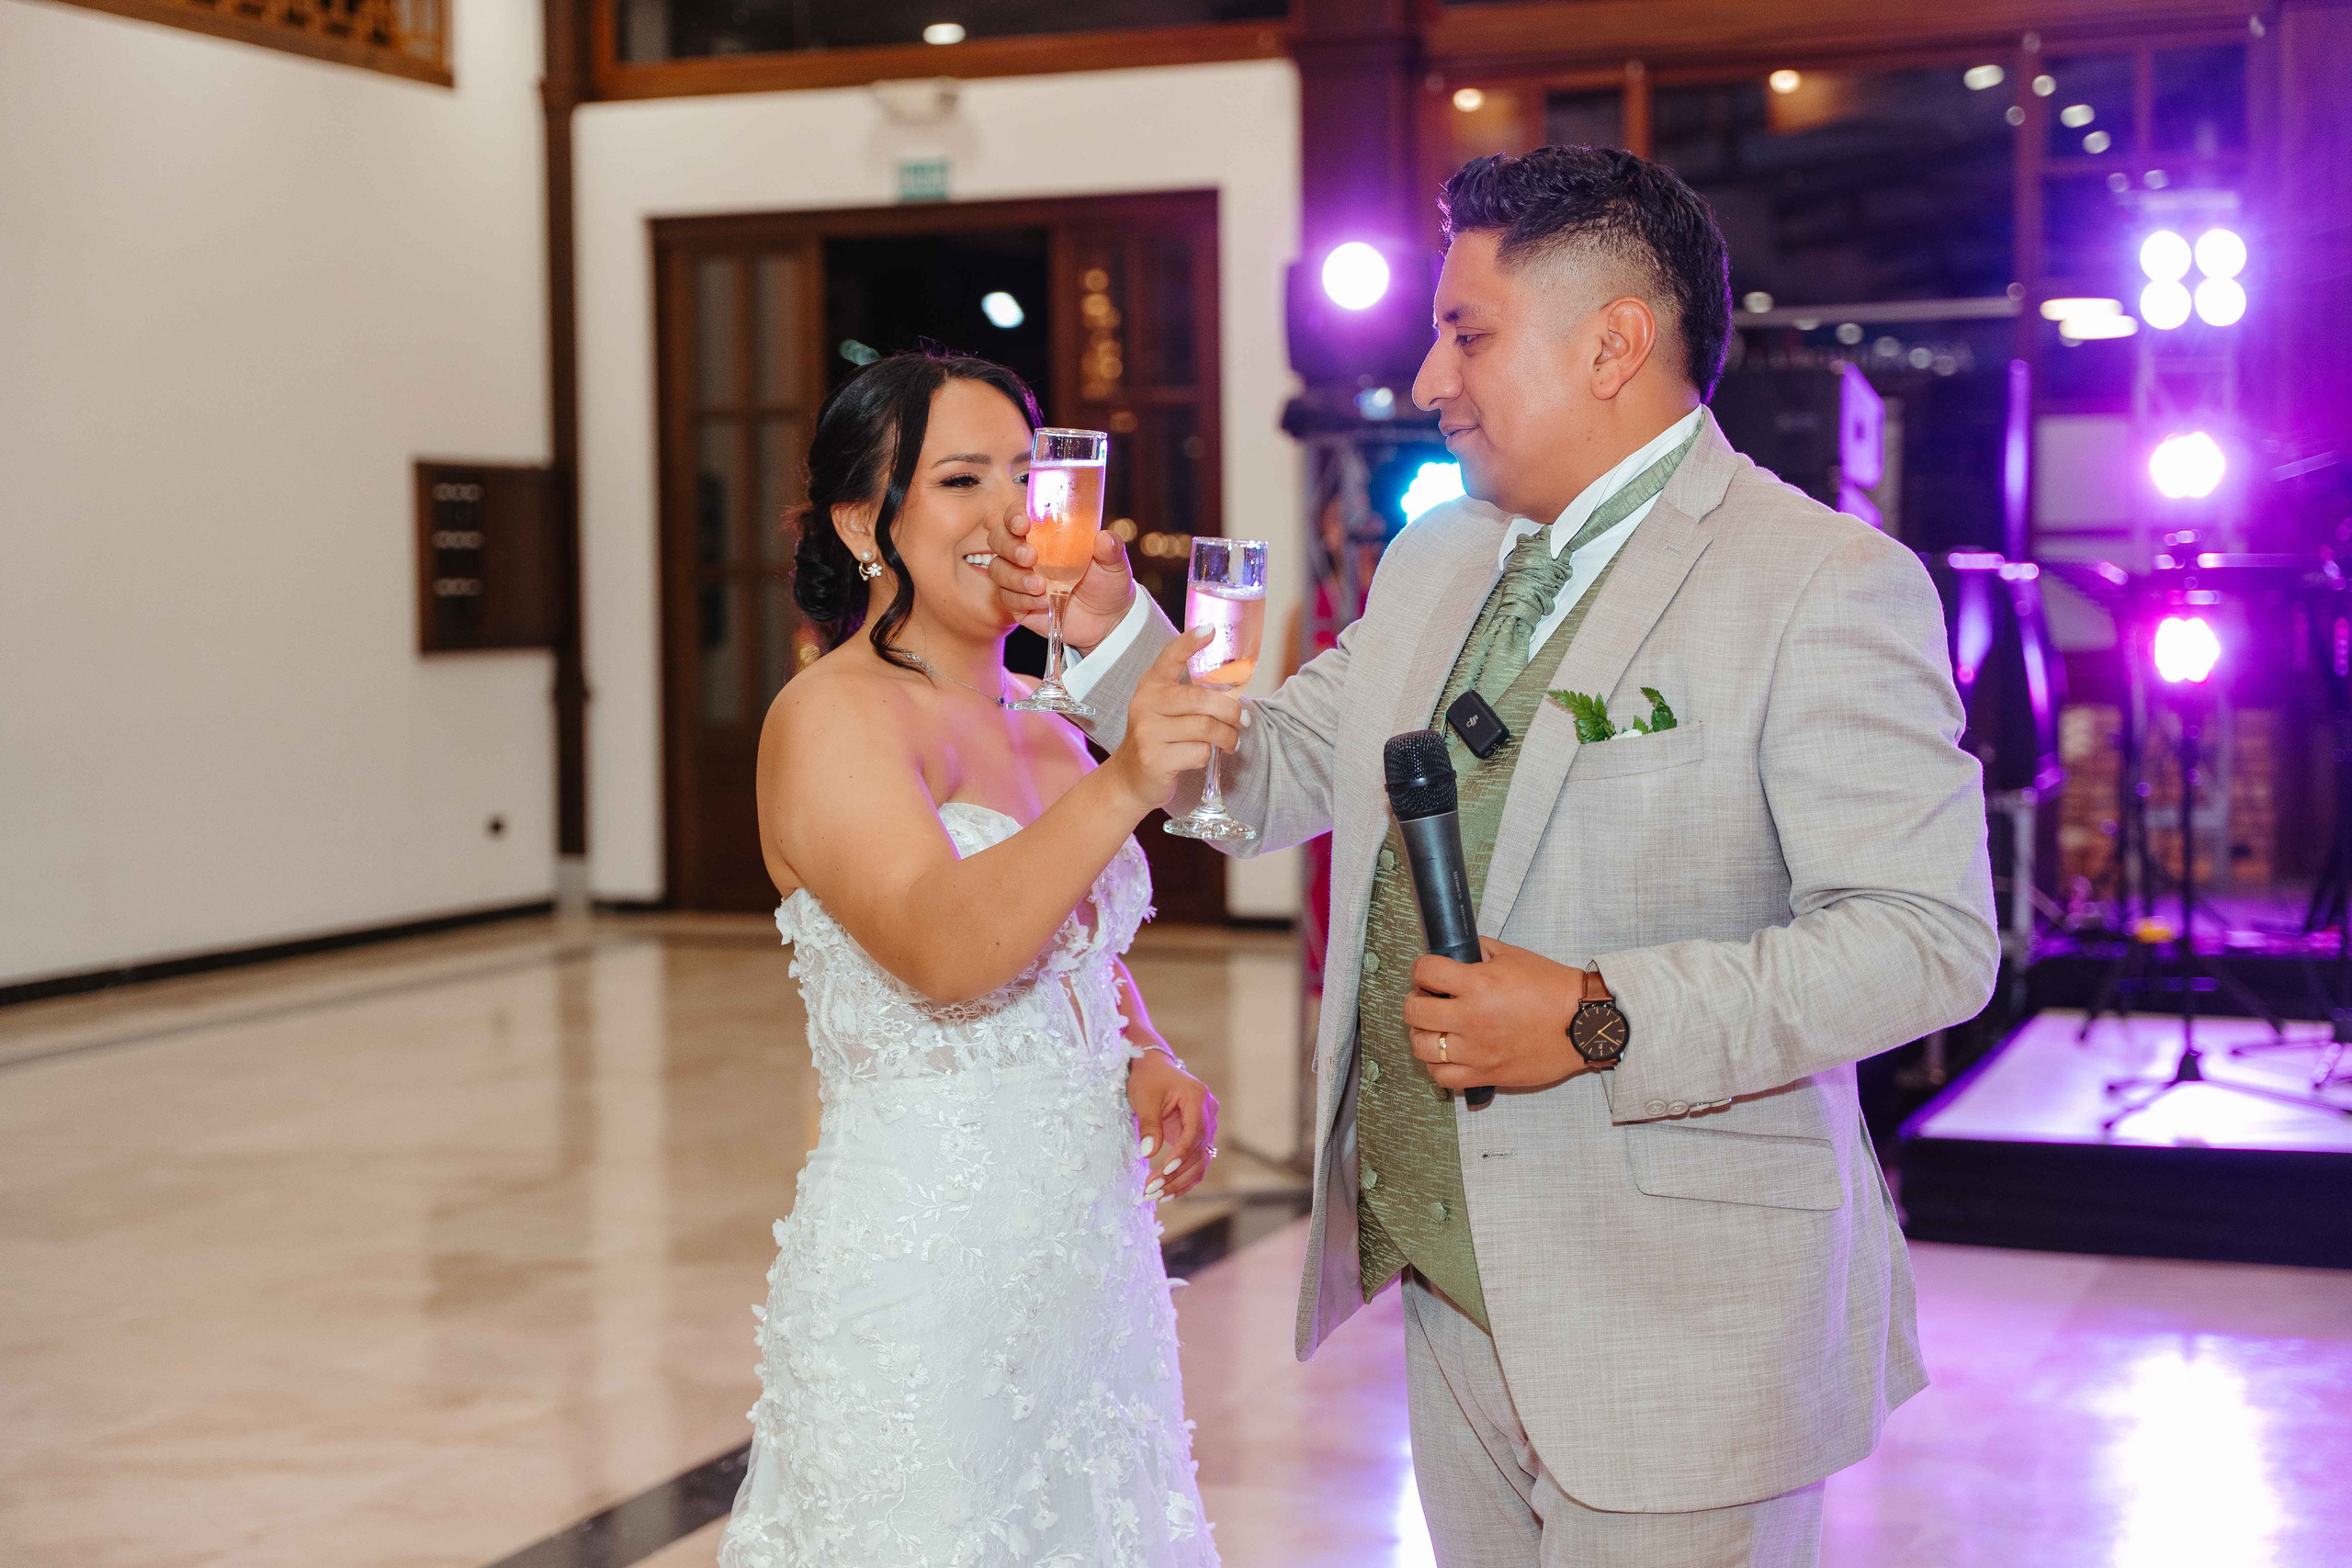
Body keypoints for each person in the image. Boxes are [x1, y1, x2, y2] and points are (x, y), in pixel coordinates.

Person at [990, 148, 1999, 1567]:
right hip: (1452, 1290)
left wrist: (1595, 1015)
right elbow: (1268, 777)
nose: (1424, 381)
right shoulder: (1442, 555)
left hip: (1681, 1313)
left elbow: (1926, 941)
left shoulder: (1823, 583)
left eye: (1466, 332)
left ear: (1614, 344)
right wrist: (1107, 630)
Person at [720, 350, 1243, 1568]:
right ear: (867, 523)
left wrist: (1144, 1056)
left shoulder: (1045, 714)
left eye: (1030, 470)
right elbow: (947, 951)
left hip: (1088, 1274)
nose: (1014, 511)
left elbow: (1069, 939)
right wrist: (1126, 781)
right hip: (925, 1285)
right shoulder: (833, 717)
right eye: (962, 479)